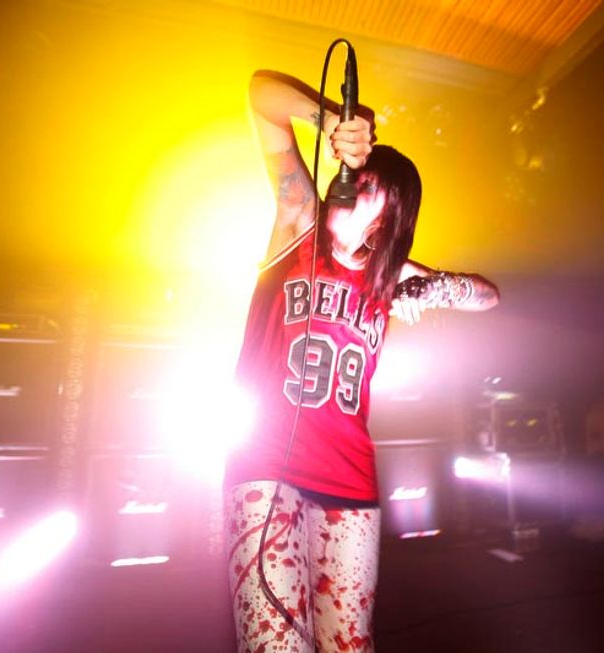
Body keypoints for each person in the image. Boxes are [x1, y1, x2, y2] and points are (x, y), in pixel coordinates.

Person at [223, 69, 499, 653]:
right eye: (353, 175)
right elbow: (261, 96)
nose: (351, 184)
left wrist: (433, 287)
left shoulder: (387, 276)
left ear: (390, 210)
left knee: (349, 646)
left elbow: (487, 296)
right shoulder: (298, 223)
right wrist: (329, 120)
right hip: (265, 465)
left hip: (348, 475)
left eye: (369, 184)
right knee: (274, 646)